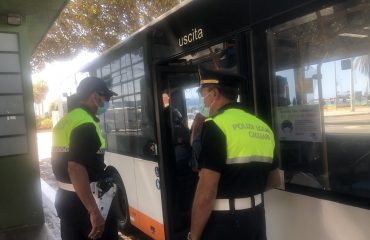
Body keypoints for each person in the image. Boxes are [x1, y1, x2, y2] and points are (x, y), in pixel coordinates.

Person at [188, 68, 281, 240]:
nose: (203, 101)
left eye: (203, 95)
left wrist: (193, 237)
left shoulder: (215, 125)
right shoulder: (262, 126)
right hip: (256, 220)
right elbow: (275, 180)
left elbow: (206, 194)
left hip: (224, 225)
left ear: (214, 93)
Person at [51, 76, 118, 240]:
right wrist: (93, 211)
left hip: (65, 199)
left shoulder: (65, 121)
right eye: (106, 98)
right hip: (86, 201)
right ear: (95, 97)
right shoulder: (86, 124)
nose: (107, 102)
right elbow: (75, 167)